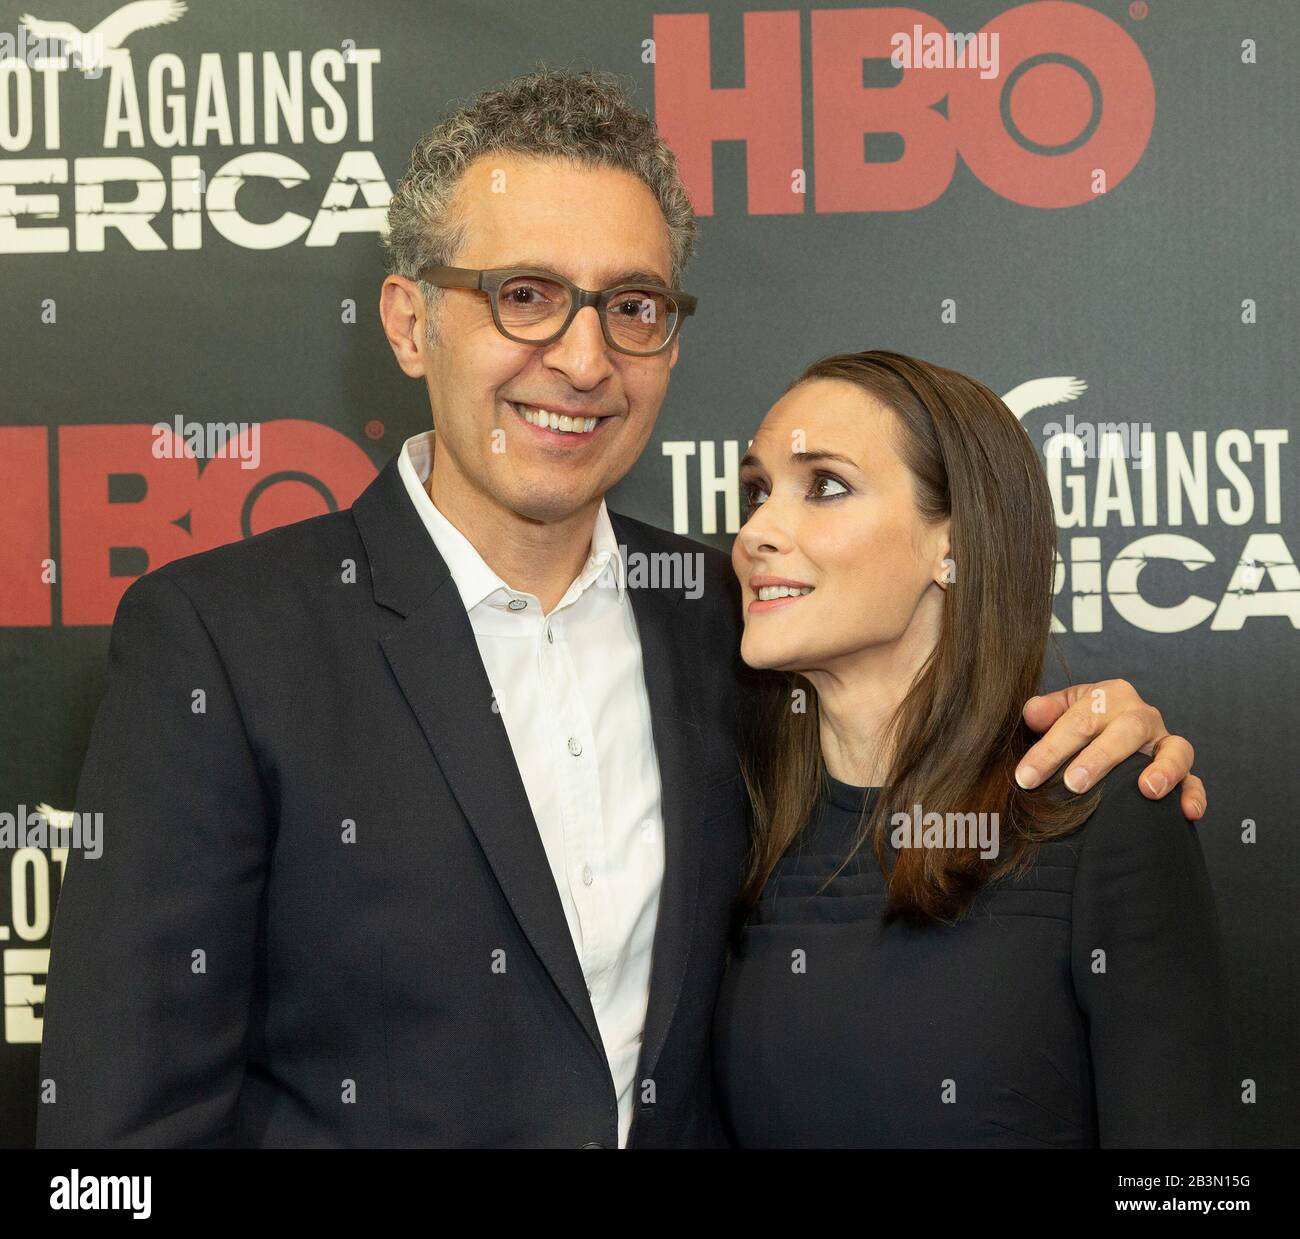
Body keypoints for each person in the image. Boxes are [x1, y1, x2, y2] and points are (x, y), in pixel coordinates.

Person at [36, 71, 1204, 1150]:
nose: (585, 360)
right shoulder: (224, 642)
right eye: (525, 296)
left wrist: (1107, 735)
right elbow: (118, 1135)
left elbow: (926, 745)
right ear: (408, 322)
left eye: (633, 307)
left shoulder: (736, 626)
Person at [712, 351, 1231, 1148]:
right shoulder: (732, 811)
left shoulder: (1099, 816)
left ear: (951, 544)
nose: (755, 534)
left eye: (825, 485)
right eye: (757, 491)